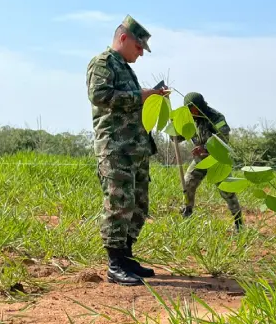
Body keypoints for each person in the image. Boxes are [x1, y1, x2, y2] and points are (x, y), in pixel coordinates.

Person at [86, 15, 167, 286]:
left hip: (135, 148)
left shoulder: (125, 67)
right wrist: (140, 96)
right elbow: (100, 96)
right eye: (139, 47)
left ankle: (126, 255)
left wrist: (151, 98)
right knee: (118, 204)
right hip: (115, 148)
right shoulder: (103, 63)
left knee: (138, 204)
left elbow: (131, 106)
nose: (141, 53)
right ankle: (114, 263)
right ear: (123, 38)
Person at [177, 92, 244, 230]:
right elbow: (180, 136)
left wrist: (205, 148)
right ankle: (187, 215)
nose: (191, 112)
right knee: (187, 183)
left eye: (193, 108)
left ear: (200, 106)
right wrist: (174, 128)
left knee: (227, 190)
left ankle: (238, 222)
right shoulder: (190, 120)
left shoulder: (215, 117)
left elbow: (223, 139)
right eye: (189, 109)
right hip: (200, 160)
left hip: (217, 159)